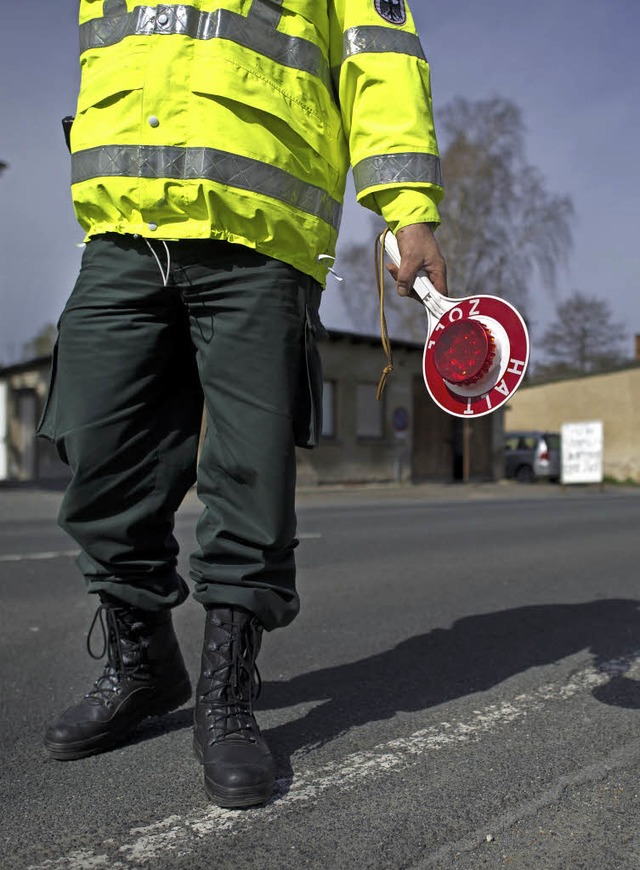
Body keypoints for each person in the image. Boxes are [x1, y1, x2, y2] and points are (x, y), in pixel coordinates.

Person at [39, 0, 448, 809]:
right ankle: (144, 664)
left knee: (247, 476)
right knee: (92, 444)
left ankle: (225, 697)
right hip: (124, 232)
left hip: (261, 241)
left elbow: (380, 59)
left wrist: (409, 207)